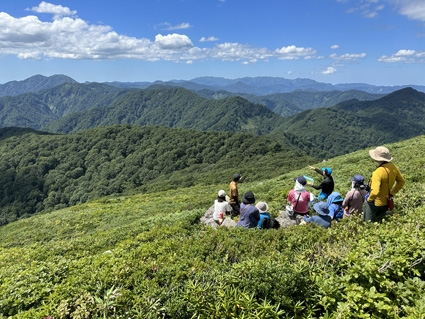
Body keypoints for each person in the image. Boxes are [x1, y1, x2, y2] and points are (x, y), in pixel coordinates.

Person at [364, 146, 405, 222]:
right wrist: (392, 193)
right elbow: (401, 181)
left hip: (375, 203)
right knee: (381, 223)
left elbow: (375, 192)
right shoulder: (393, 167)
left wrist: (369, 200)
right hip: (386, 202)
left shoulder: (377, 172)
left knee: (368, 224)